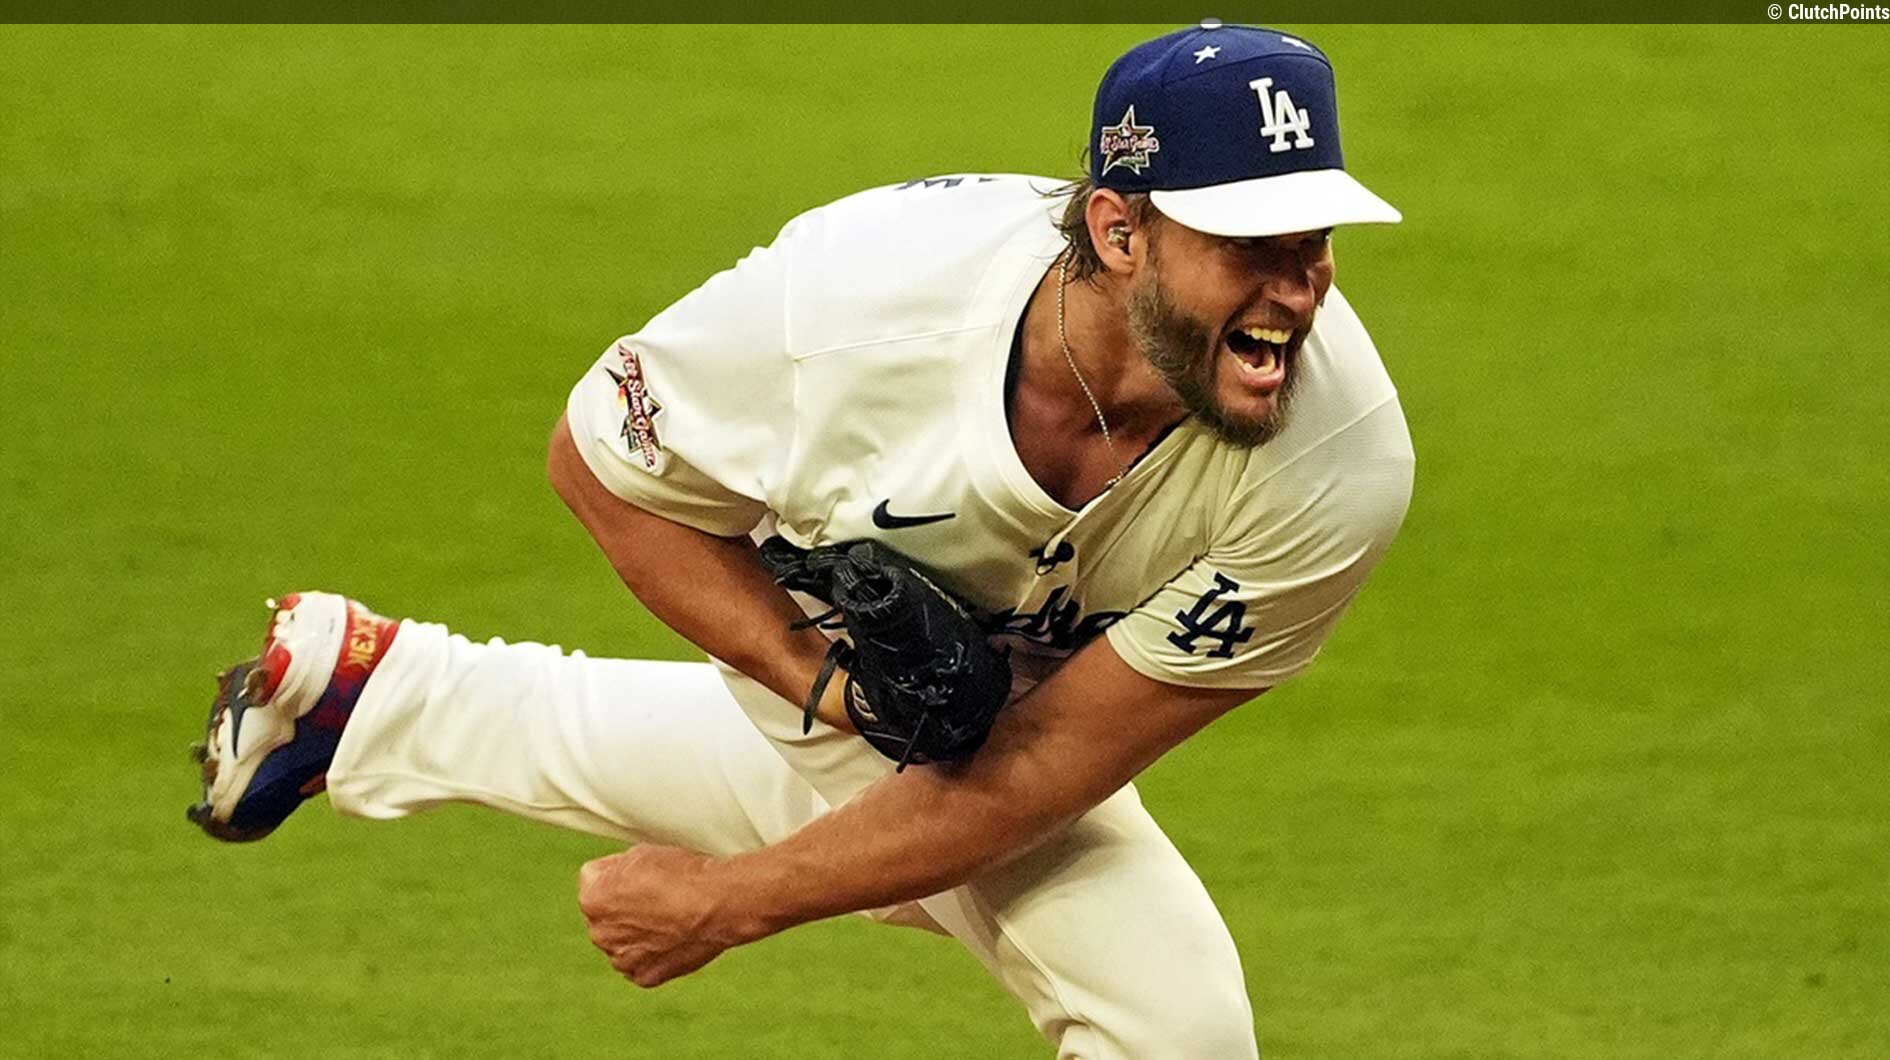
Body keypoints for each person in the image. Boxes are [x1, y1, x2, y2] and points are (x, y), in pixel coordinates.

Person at [189, 21, 1413, 1059]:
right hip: (817, 614)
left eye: (1314, 242)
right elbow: (602, 467)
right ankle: (400, 703)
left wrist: (730, 899)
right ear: (1118, 230)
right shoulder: (853, 310)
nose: (1297, 288)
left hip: (1031, 702)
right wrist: (822, 685)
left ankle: (383, 695)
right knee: (1173, 1024)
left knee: (943, 834)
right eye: (1250, 247)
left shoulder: (1337, 463)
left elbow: (1041, 765)